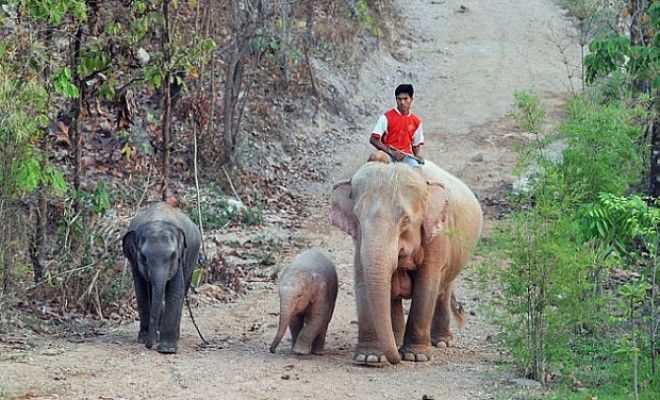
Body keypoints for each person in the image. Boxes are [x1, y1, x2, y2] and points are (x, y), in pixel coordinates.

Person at [369, 83, 425, 167]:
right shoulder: (386, 117)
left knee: (418, 173)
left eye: (405, 99)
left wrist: (419, 157)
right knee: (376, 156)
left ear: (411, 99)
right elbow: (373, 139)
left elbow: (415, 147)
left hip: (405, 157)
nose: (402, 102)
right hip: (387, 155)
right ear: (396, 99)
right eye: (399, 99)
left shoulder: (416, 122)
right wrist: (391, 152)